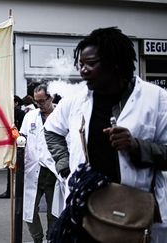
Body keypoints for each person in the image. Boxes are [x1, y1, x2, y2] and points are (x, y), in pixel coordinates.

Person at [44, 27, 167, 242]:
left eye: (91, 64)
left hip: (133, 214)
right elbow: (51, 130)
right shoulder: (76, 100)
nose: (83, 70)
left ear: (115, 63)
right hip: (84, 210)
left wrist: (137, 146)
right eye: (81, 64)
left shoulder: (156, 100)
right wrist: (65, 168)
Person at [19, 85, 60, 243]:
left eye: (42, 101)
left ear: (51, 98)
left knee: (54, 211)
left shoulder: (60, 115)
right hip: (33, 170)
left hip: (53, 172)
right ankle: (37, 238)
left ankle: (51, 238)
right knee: (28, 210)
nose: (39, 105)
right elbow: (22, 138)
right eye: (37, 102)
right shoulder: (30, 116)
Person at [0, 95, 27, 199]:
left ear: (16, 103)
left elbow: (22, 130)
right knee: (11, 167)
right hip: (11, 144)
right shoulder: (9, 113)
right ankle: (10, 190)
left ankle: (15, 191)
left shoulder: (19, 114)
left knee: (17, 168)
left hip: (18, 144)